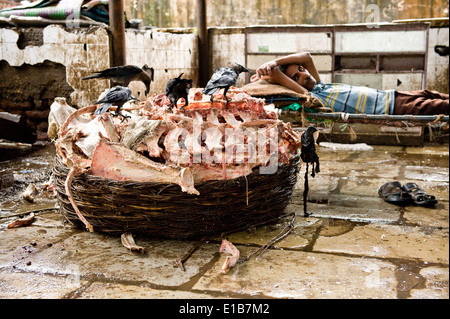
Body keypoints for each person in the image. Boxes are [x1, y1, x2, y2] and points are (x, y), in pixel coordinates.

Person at [252, 52, 449, 115]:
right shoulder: (314, 98)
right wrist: (271, 74)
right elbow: (277, 77)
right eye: (295, 78)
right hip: (395, 108)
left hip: (396, 95)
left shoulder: (321, 85)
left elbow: (306, 56)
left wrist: (275, 62)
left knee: (439, 96)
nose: (303, 75)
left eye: (301, 70)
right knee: (444, 107)